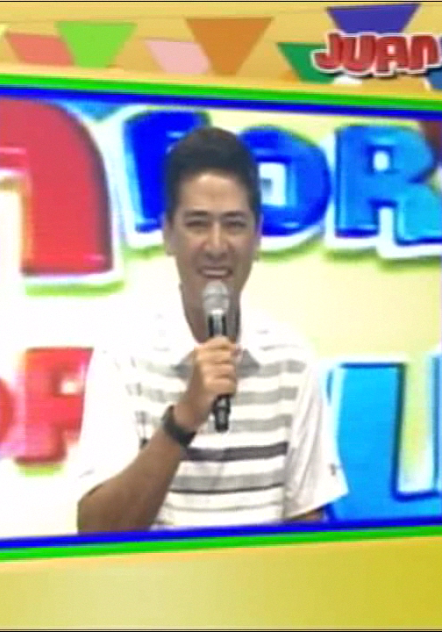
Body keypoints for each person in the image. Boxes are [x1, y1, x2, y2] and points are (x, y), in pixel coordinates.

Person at [74, 127, 348, 532]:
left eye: (234, 225)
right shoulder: (123, 357)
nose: (217, 246)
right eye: (198, 224)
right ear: (168, 234)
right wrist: (183, 419)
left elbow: (307, 519)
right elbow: (96, 531)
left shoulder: (292, 359)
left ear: (257, 237)